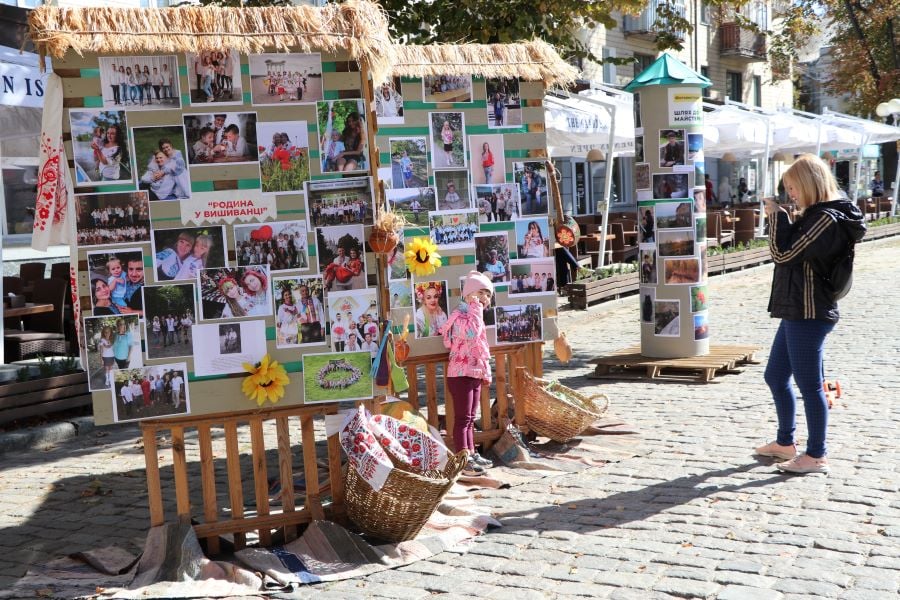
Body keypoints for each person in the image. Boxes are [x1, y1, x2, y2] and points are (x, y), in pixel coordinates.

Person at [755, 154, 866, 475]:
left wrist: (776, 217)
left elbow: (783, 253)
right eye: (787, 188)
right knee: (775, 377)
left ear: (809, 183)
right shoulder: (815, 215)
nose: (790, 193)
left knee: (810, 386)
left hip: (810, 310)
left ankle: (816, 454)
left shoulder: (826, 218)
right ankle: (785, 443)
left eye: (793, 187)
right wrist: (786, 217)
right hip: (796, 307)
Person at [441, 270, 495, 476]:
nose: (485, 298)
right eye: (481, 293)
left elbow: (481, 347)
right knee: (462, 419)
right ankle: (462, 461)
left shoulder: (475, 314)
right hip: (460, 374)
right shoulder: (461, 315)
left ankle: (470, 453)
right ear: (470, 293)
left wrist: (485, 372)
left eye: (488, 295)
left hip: (473, 372)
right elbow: (471, 334)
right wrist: (475, 307)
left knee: (471, 417)